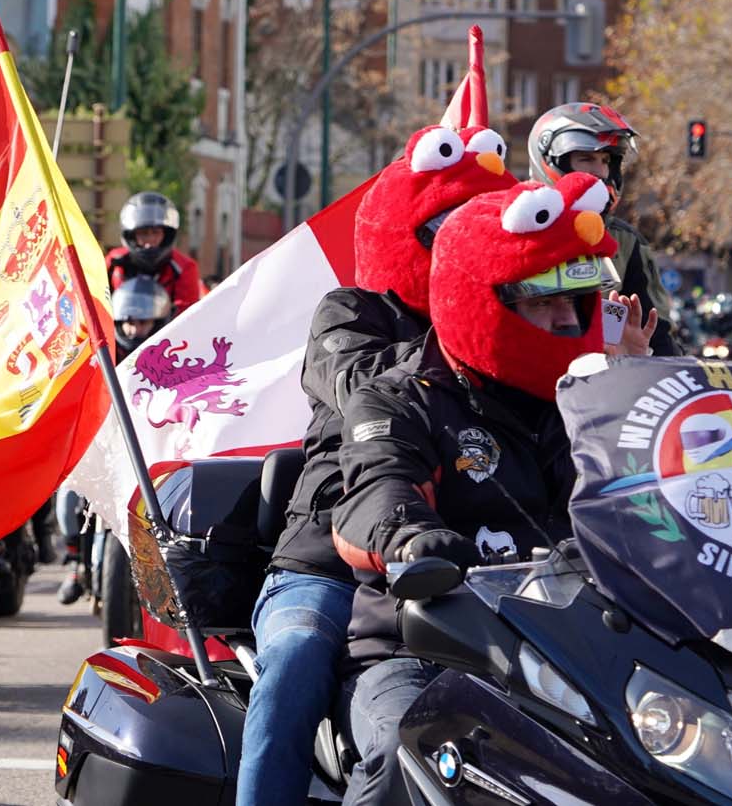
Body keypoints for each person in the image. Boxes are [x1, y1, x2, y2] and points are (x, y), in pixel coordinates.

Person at [330, 173, 651, 806]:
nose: (566, 320)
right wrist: (411, 536)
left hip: (578, 650)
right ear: (484, 298)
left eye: (577, 303)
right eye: (544, 301)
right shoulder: (401, 398)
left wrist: (642, 389)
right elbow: (377, 486)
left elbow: (665, 493)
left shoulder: (592, 402)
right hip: (427, 649)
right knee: (409, 745)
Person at [238, 115, 519, 806]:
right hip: (329, 561)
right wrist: (472, 335)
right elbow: (360, 382)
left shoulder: (517, 325)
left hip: (459, 561)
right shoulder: (351, 312)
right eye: (446, 229)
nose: (460, 245)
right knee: (299, 656)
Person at [55, 275, 176, 605]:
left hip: (149, 450)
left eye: (143, 321)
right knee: (68, 496)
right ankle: (76, 565)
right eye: (128, 321)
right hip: (102, 446)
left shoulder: (171, 352)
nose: (135, 329)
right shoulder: (100, 349)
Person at [528, 102, 677, 355]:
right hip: (523, 380)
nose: (600, 171)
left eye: (606, 160)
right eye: (586, 158)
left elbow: (657, 333)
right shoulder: (512, 229)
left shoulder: (626, 241)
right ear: (551, 161)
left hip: (599, 384)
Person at [106, 191, 204, 315]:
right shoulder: (114, 261)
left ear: (166, 234)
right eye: (143, 233)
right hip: (120, 329)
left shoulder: (184, 267)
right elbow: (97, 300)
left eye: (156, 232)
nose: (150, 239)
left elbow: (187, 314)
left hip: (167, 331)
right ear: (132, 235)